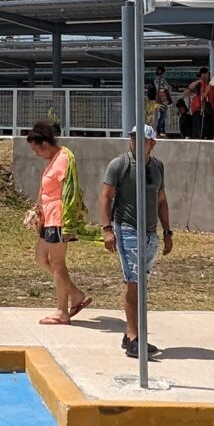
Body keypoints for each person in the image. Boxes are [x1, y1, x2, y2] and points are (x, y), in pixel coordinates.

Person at [99, 125, 173, 360]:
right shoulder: (119, 165)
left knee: (142, 282)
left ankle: (129, 333)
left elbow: (161, 200)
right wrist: (107, 228)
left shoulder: (157, 167)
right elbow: (106, 196)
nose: (136, 143)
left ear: (152, 143)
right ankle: (134, 338)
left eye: (142, 139)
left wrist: (168, 231)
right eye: (133, 139)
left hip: (151, 233)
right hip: (127, 229)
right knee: (133, 282)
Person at [24, 121, 89, 324]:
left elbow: (69, 191)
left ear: (44, 144)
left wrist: (68, 224)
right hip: (49, 217)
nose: (36, 154)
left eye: (36, 150)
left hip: (59, 218)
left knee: (58, 263)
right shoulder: (53, 160)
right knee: (41, 257)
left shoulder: (63, 159)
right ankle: (75, 294)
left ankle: (62, 310)